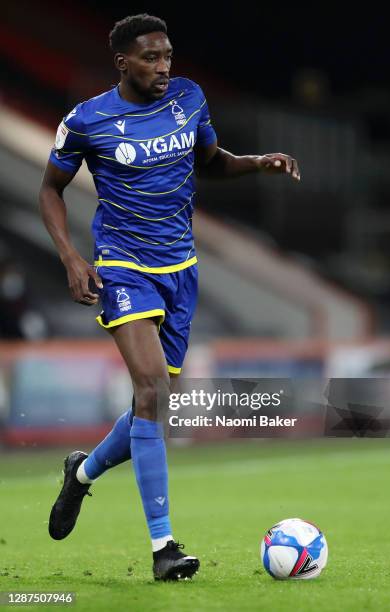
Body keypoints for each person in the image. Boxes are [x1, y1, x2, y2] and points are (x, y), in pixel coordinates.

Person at [39, 13, 300, 582]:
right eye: (151, 58)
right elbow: (50, 190)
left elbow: (212, 162)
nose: (163, 67)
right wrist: (71, 257)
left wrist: (256, 162)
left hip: (181, 269)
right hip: (123, 267)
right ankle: (164, 550)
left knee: (148, 408)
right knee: (152, 390)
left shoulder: (188, 98)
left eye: (168, 57)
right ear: (122, 63)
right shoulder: (88, 120)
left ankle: (80, 475)